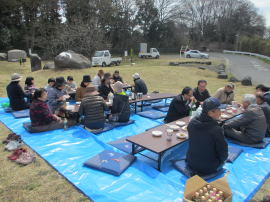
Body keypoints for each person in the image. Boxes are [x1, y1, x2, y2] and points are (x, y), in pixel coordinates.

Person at [186, 97, 228, 176]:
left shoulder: (192, 123)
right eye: (218, 110)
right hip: (208, 168)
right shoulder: (216, 129)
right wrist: (222, 160)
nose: (220, 113)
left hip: (190, 162)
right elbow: (223, 152)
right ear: (210, 113)